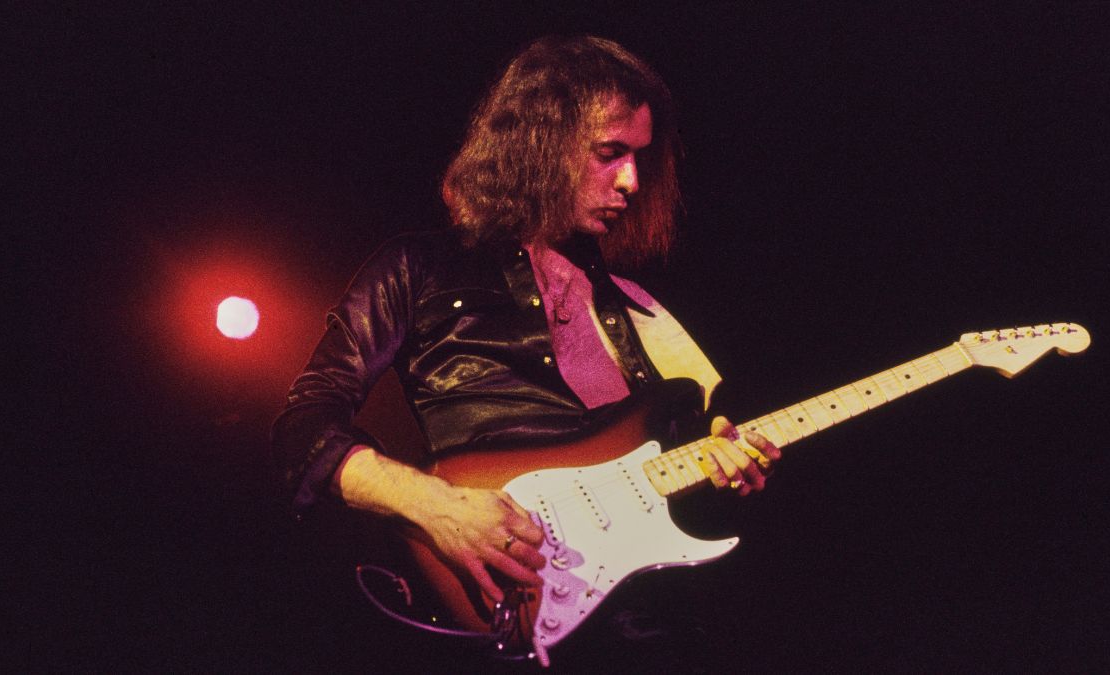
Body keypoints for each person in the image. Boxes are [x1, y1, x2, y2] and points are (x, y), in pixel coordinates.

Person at [272, 34, 782, 664]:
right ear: (543, 142)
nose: (631, 180)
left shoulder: (637, 304)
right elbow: (305, 425)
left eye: (640, 159)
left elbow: (670, 465)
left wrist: (723, 471)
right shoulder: (417, 268)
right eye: (609, 153)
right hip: (502, 600)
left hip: (653, 629)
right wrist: (432, 504)